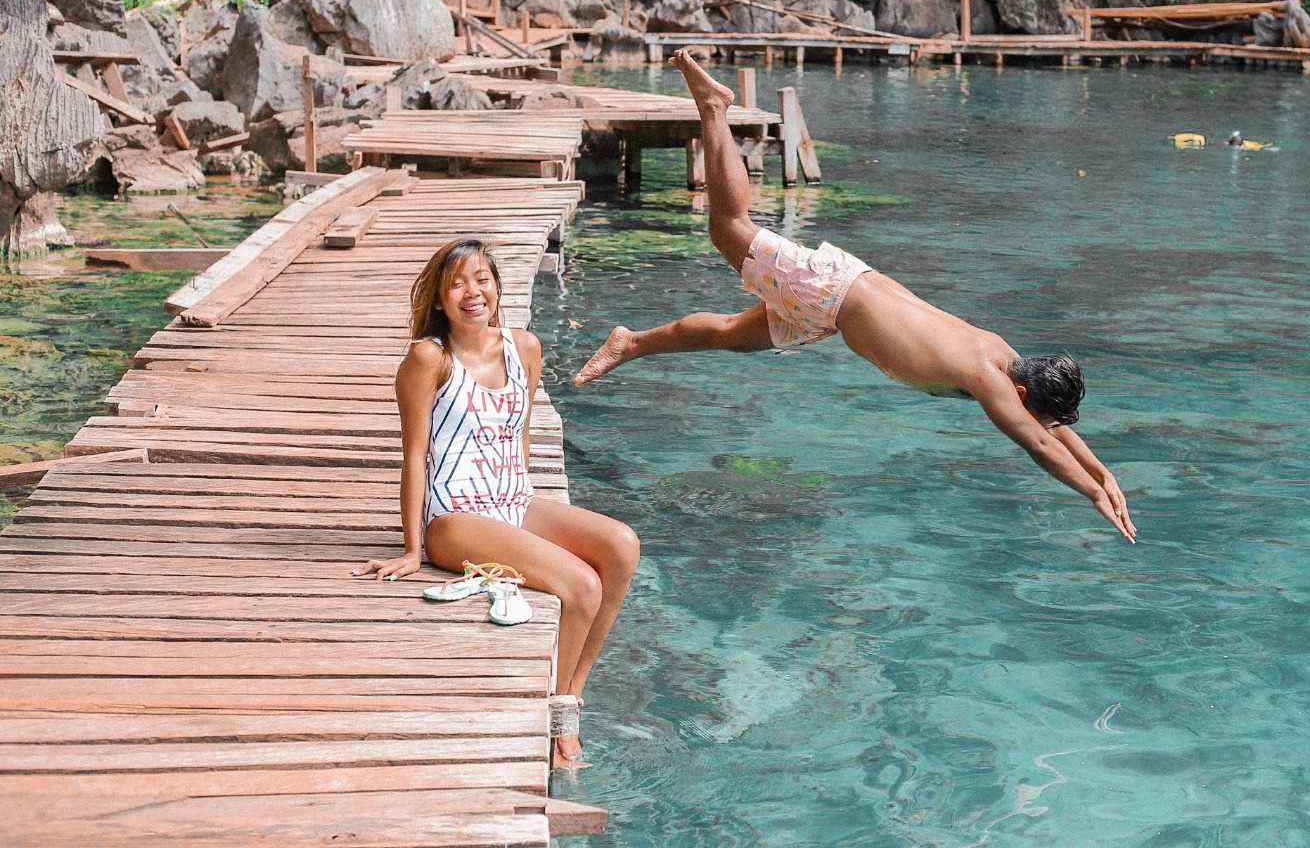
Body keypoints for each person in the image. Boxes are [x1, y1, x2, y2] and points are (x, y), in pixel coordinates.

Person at [575, 50, 1136, 543]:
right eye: (1032, 410)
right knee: (728, 225)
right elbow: (1038, 446)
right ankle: (714, 108)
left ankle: (631, 343)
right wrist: (1090, 495)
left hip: (836, 312)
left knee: (729, 334)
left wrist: (1105, 475)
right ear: (1020, 389)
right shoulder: (993, 381)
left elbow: (1053, 428)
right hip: (830, 289)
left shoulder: (1004, 353)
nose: (1036, 421)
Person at [356, 238, 641, 769]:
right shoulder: (428, 358)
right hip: (454, 518)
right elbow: (414, 455)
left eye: (482, 278)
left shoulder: (524, 348)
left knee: (622, 546)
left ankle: (573, 692)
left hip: (513, 499)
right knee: (581, 585)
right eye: (458, 283)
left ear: (496, 286)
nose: (473, 292)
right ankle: (558, 725)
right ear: (440, 299)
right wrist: (413, 549)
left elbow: (520, 436)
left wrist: (532, 519)